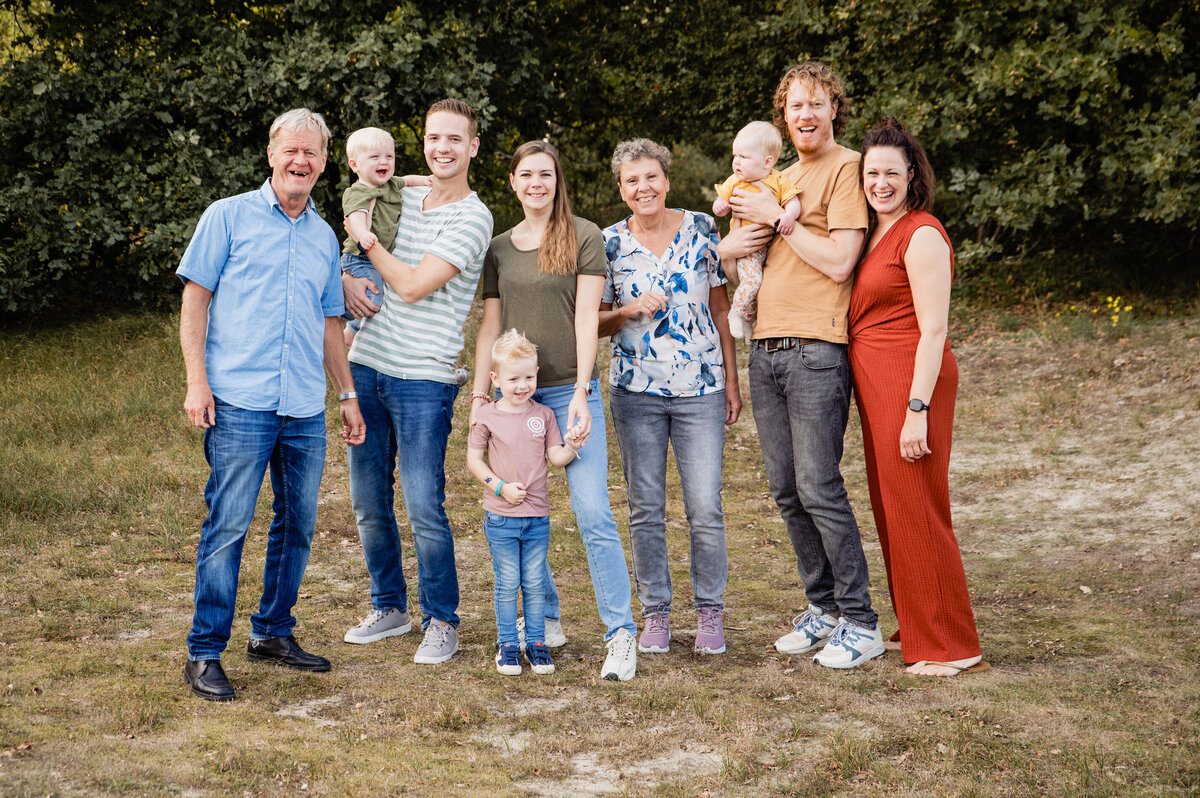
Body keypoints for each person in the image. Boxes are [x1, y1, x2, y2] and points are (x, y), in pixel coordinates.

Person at [177, 108, 366, 701]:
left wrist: (347, 396)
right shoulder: (227, 217)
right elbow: (194, 303)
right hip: (239, 400)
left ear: (324, 163)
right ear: (271, 153)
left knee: (298, 525)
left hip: (305, 406)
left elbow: (331, 324)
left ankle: (271, 633)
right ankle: (205, 651)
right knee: (229, 524)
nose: (300, 161)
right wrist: (196, 381)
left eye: (312, 153)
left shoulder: (322, 237)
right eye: (291, 150)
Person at [719, 62, 885, 669]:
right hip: (766, 345)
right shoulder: (778, 175)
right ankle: (825, 610)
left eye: (815, 104)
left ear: (834, 108)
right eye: (794, 107)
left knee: (819, 486)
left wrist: (778, 220)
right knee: (787, 491)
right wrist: (736, 250)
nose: (805, 115)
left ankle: (862, 621)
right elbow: (745, 266)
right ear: (783, 117)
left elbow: (841, 261)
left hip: (817, 347)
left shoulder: (846, 169)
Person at [470, 140, 640, 681]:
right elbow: (491, 328)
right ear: (514, 183)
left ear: (556, 180)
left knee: (592, 513)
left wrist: (582, 391)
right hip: (514, 402)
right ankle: (547, 620)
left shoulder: (583, 235)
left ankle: (621, 634)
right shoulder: (499, 247)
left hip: (569, 393)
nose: (536, 183)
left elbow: (589, 315)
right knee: (523, 513)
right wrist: (481, 396)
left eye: (546, 174)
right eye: (527, 175)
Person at [340, 99, 493, 665]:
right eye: (433, 138)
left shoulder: (474, 217)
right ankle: (389, 606)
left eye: (455, 139)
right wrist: (344, 271)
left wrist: (366, 242)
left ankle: (441, 619)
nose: (443, 148)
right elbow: (373, 181)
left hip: (424, 378)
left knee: (424, 504)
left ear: (473, 146)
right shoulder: (401, 193)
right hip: (368, 364)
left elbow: (410, 287)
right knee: (367, 501)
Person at [849, 117, 986, 677]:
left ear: (912, 176)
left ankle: (951, 645)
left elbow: (934, 330)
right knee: (893, 509)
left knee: (918, 508)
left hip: (911, 384)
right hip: (879, 385)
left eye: (891, 172)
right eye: (871, 172)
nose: (880, 182)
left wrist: (916, 411)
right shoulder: (874, 232)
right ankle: (920, 622)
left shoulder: (921, 232)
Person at [599, 138, 741, 656]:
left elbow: (722, 310)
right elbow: (593, 322)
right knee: (645, 507)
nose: (644, 187)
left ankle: (710, 612)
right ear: (621, 189)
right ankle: (655, 613)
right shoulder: (609, 243)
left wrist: (731, 377)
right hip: (636, 391)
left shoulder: (703, 229)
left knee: (705, 505)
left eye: (651, 177)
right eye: (632, 180)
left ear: (666, 180)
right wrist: (628, 310)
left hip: (699, 387)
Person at [467, 330, 584, 676]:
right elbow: (474, 461)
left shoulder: (545, 416)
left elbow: (556, 457)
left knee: (533, 581)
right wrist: (500, 486)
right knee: (507, 582)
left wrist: (574, 445)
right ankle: (507, 645)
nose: (522, 385)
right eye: (513, 378)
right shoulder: (486, 416)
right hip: (501, 517)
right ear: (495, 379)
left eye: (529, 377)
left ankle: (536, 643)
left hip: (537, 518)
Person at [338, 126, 430, 345]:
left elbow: (407, 180)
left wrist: (427, 180)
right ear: (355, 165)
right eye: (375, 157)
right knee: (373, 298)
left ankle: (350, 332)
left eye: (389, 156)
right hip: (359, 256)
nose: (384, 162)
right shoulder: (358, 191)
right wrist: (363, 236)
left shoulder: (391, 184)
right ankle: (334, 317)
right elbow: (355, 217)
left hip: (375, 257)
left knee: (379, 296)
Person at [711, 121, 802, 339]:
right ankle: (737, 313)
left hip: (771, 249)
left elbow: (793, 201)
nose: (736, 162)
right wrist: (721, 207)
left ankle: (748, 318)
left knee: (758, 286)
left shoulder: (778, 180)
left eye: (744, 157)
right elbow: (718, 205)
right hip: (747, 248)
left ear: (767, 161)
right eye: (735, 156)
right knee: (753, 282)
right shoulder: (734, 181)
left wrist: (789, 216)